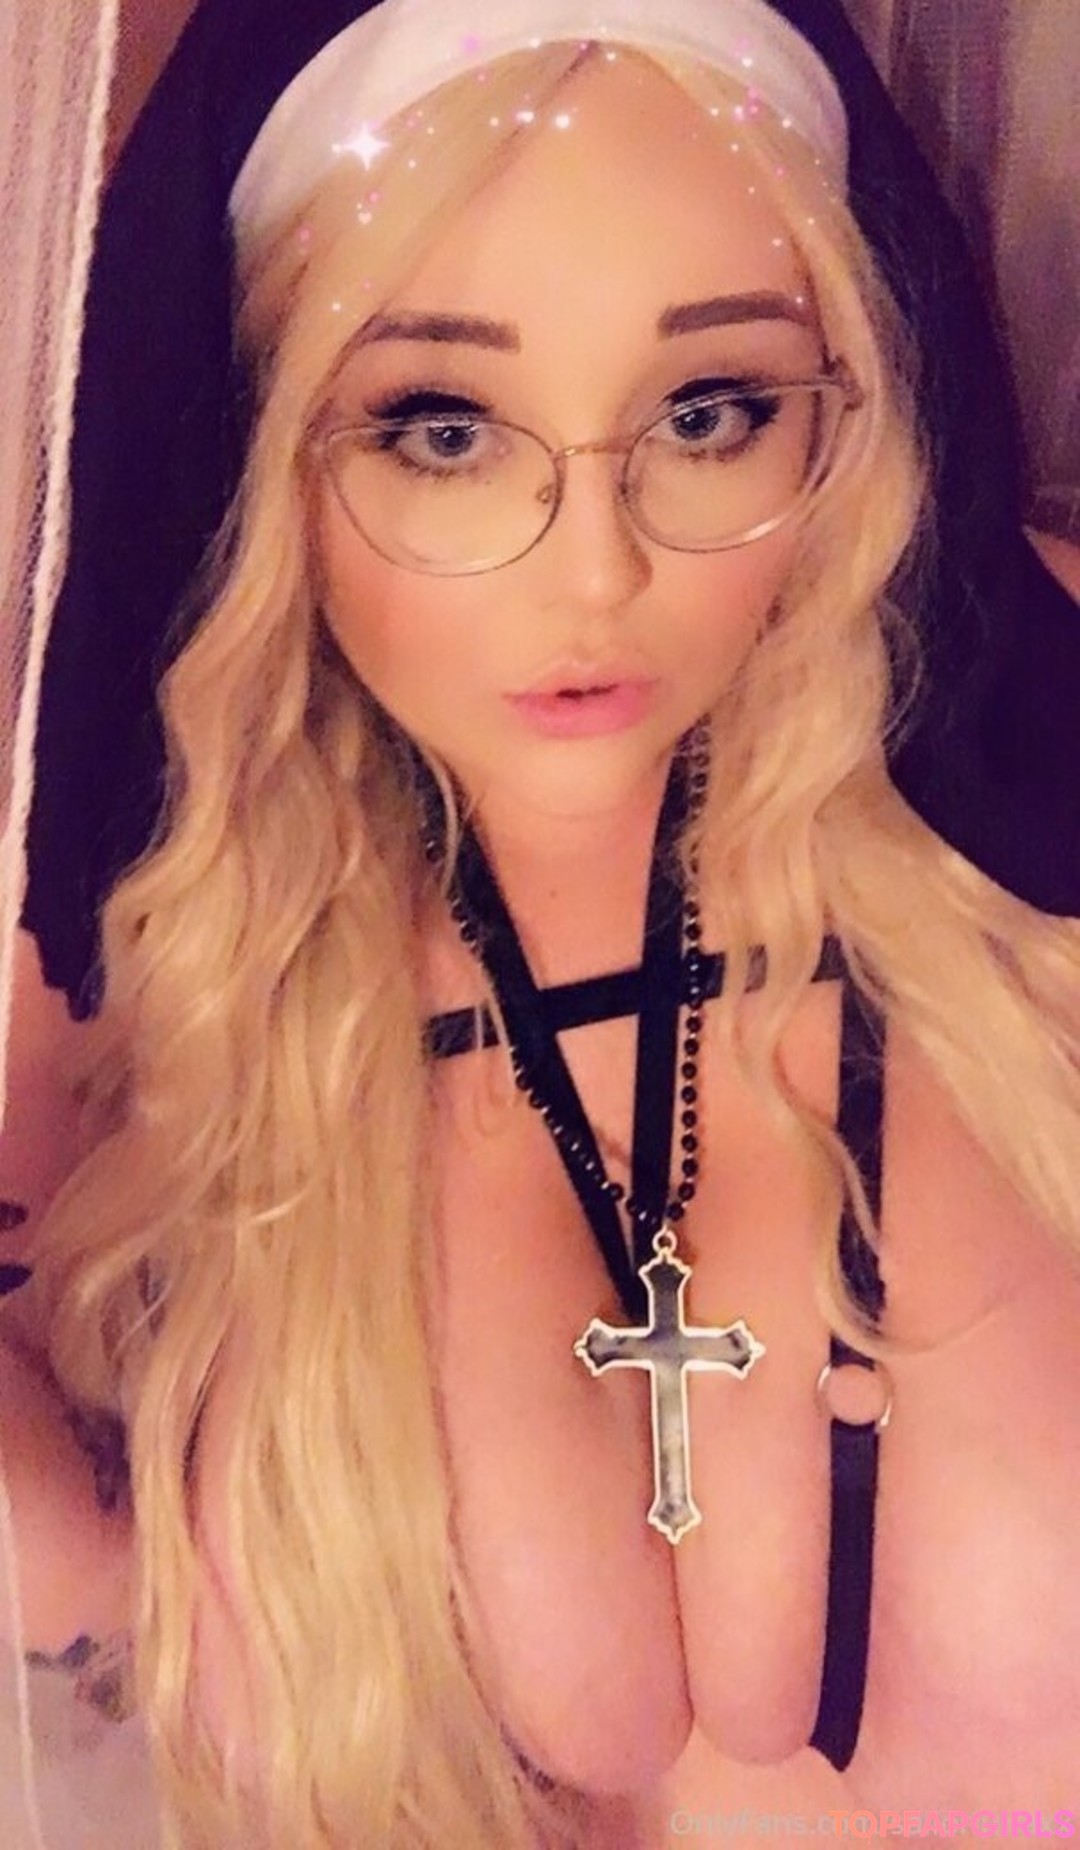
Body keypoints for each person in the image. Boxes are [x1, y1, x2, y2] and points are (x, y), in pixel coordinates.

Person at [2, 0, 1079, 1844]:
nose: (598, 570)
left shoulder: (1026, 800)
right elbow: (75, 1589)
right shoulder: (169, 972)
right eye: (443, 429)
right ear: (267, 448)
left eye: (710, 413)